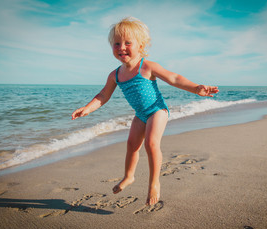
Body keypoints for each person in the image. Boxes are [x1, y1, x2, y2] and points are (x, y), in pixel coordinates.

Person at [71, 17, 219, 206]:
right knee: (132, 144)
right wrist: (87, 108)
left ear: (140, 45)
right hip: (140, 114)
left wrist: (196, 88)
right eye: (117, 43)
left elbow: (174, 78)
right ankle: (128, 176)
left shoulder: (147, 66)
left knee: (150, 143)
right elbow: (103, 96)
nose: (121, 47)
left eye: (127, 43)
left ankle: (154, 182)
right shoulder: (115, 75)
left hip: (157, 110)